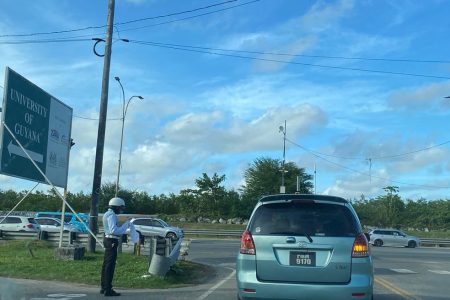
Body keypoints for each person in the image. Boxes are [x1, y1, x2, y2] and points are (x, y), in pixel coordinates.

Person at [100, 197, 130, 297]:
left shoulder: (107, 214)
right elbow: (114, 230)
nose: (120, 210)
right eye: (120, 208)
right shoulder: (111, 215)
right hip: (111, 240)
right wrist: (125, 225)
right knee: (110, 265)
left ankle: (104, 287)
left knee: (106, 265)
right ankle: (108, 289)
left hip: (108, 240)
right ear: (116, 206)